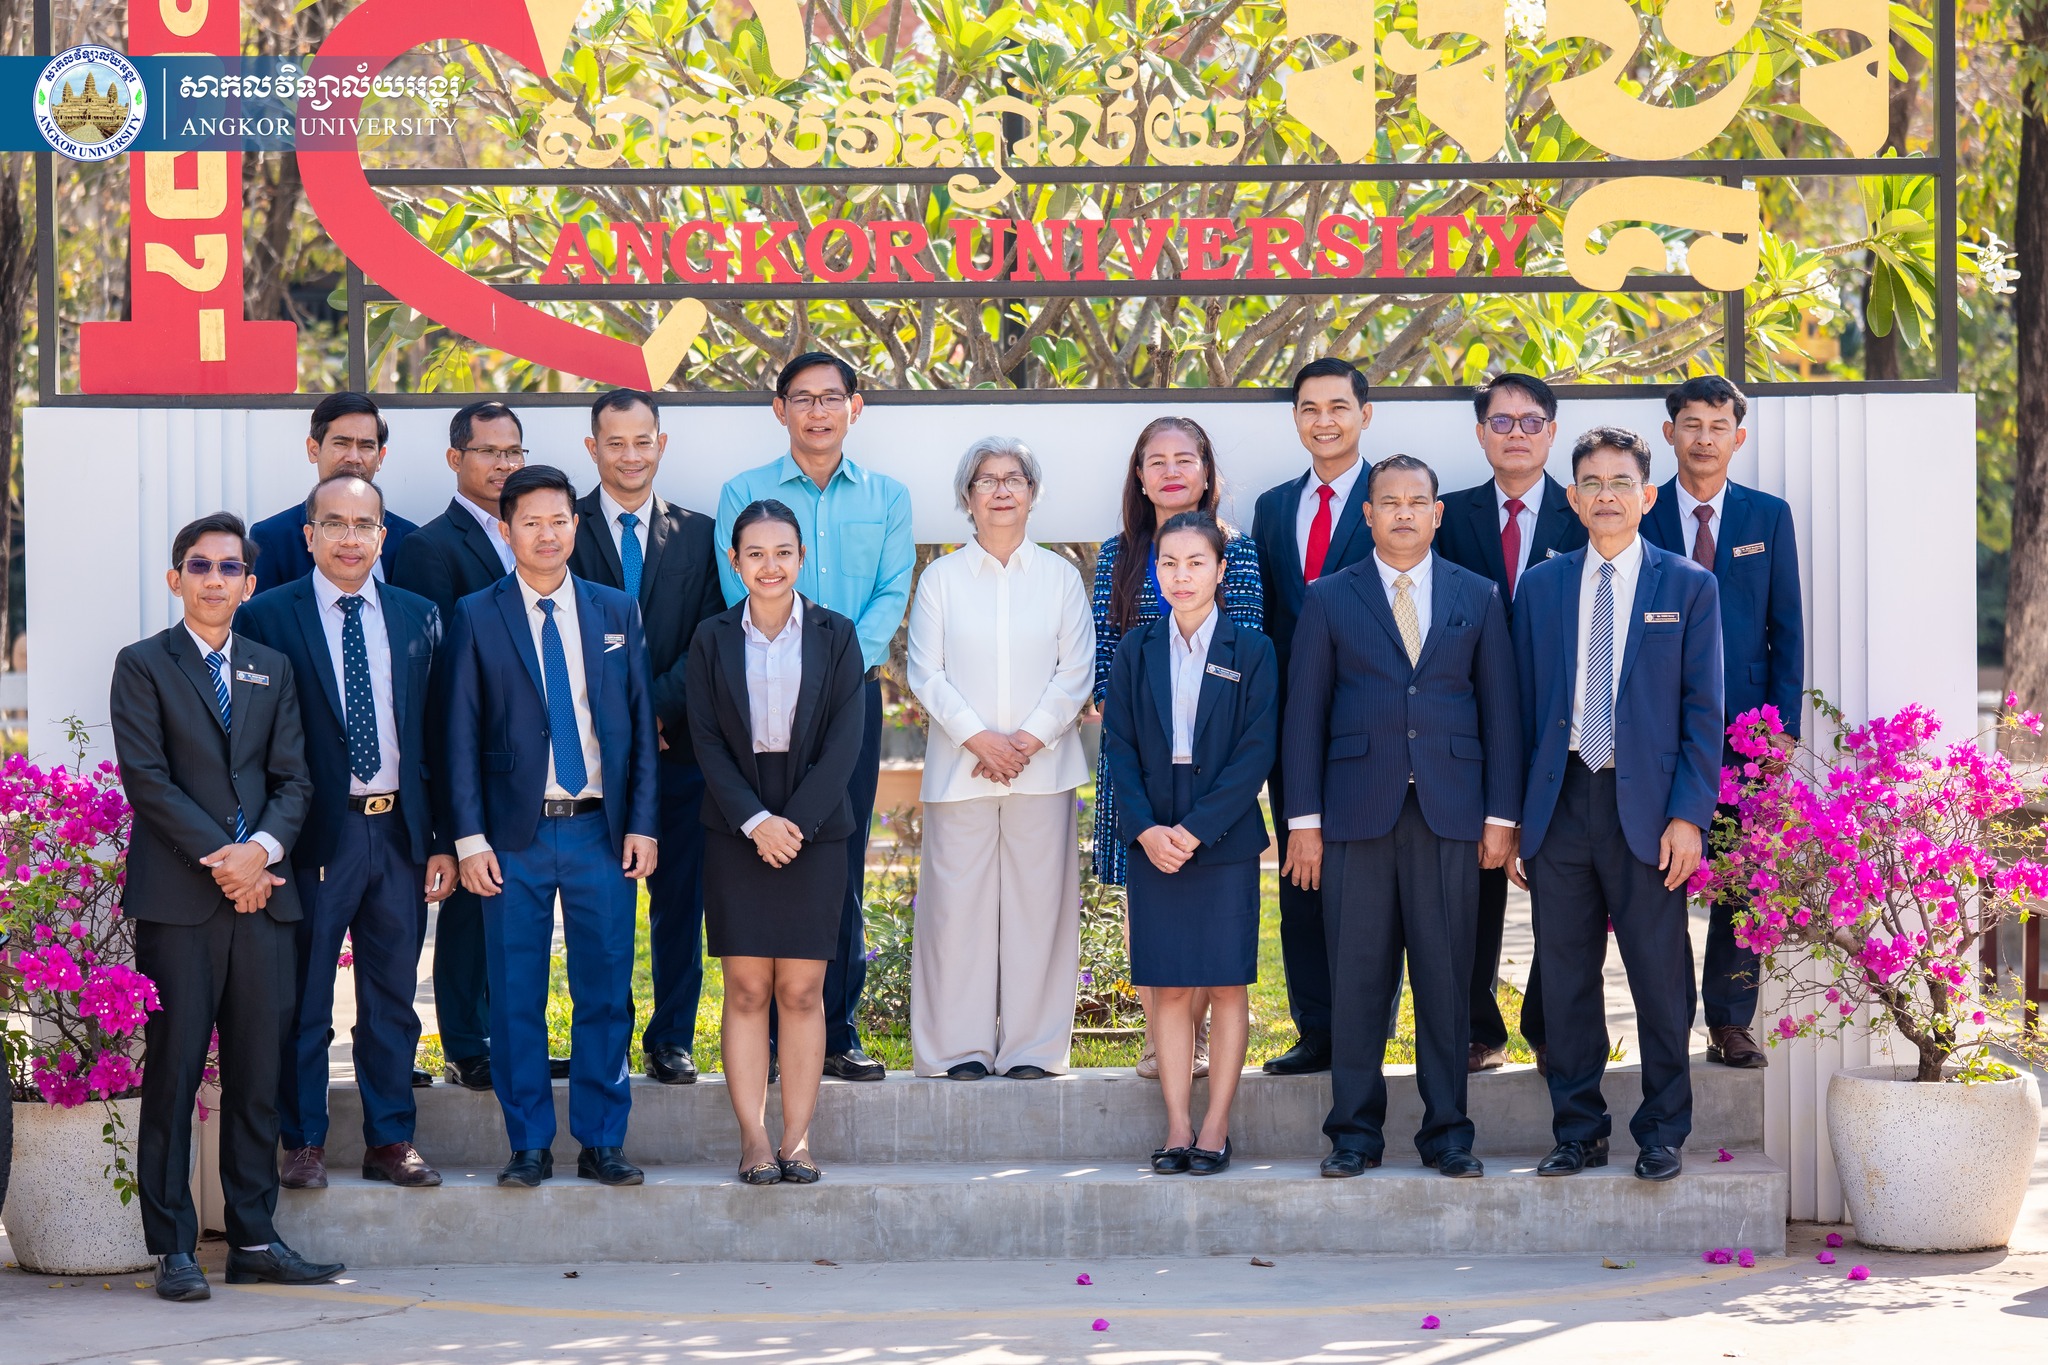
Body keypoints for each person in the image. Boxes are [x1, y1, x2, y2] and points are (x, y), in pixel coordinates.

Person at [109, 512, 340, 1302]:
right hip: (182, 903)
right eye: (200, 566)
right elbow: (148, 781)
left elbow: (295, 779)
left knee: (256, 1076)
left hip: (264, 902)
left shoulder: (272, 667)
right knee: (173, 1074)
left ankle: (254, 1239)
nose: (215, 578)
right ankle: (172, 1246)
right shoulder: (143, 664)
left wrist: (262, 852)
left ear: (249, 583)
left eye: (229, 567)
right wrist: (230, 860)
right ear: (176, 579)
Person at [1281, 456, 1521, 1178]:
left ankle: (1448, 1133)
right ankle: (1354, 1134)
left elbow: (1501, 712)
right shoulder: (1329, 596)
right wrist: (1303, 822)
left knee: (1446, 979)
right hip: (1355, 814)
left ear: (1438, 514)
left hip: (1450, 812)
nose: (1405, 512)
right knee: (1357, 978)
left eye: (1418, 501)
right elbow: (1304, 715)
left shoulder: (1477, 594)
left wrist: (1501, 816)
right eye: (1390, 502)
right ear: (1368, 514)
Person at [1512, 427, 1723, 1183]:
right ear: (1572, 499)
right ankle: (1578, 1129)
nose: (1607, 495)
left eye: (1621, 481)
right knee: (1566, 976)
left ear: (1647, 495)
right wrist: (1514, 820)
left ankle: (1663, 1130)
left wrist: (1689, 816)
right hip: (1560, 801)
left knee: (1660, 978)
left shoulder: (1688, 586)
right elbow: (1518, 708)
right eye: (1592, 483)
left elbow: (1704, 712)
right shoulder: (1540, 587)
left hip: (1652, 811)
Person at [440, 465, 660, 1189]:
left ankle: (602, 1140)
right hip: (513, 837)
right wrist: (468, 838)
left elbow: (637, 727)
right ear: (507, 531)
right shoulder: (477, 613)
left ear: (575, 524)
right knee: (515, 996)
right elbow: (458, 735)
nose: (546, 534)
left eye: (558, 520)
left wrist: (643, 824)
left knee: (607, 989)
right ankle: (529, 1142)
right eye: (530, 522)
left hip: (601, 831)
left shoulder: (615, 610)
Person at [236, 475, 456, 1192]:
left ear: (382, 536)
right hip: (310, 840)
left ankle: (390, 1138)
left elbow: (438, 735)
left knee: (392, 999)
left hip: (398, 835)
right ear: (309, 536)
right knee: (304, 999)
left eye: (364, 524)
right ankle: (303, 1140)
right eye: (334, 523)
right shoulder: (268, 617)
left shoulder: (419, 615)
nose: (350, 537)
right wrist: (262, 843)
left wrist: (443, 838)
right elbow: (250, 745)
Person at [714, 353, 913, 1082]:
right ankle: (765, 1036)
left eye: (832, 398)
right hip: (757, 702)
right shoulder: (744, 493)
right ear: (780, 409)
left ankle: (834, 1028)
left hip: (849, 699)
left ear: (855, 407)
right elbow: (734, 590)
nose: (818, 411)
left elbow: (892, 591)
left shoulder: (888, 497)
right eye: (803, 398)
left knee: (839, 861)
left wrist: (836, 671)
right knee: (760, 855)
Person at [687, 500, 867, 1184]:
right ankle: (754, 1138)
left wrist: (794, 823)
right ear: (735, 561)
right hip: (736, 825)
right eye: (755, 553)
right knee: (746, 987)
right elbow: (705, 738)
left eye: (783, 552)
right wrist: (755, 821)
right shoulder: (711, 637)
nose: (770, 565)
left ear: (801, 557)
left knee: (800, 989)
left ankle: (797, 1139)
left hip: (814, 826)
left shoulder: (836, 634)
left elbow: (846, 738)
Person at [905, 437, 1094, 1081]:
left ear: (1032, 493)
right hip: (961, 770)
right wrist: (980, 740)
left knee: (1041, 912)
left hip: (1044, 770)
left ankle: (1033, 1050)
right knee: (955, 913)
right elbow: (926, 673)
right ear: (968, 496)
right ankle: (956, 1048)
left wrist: (1027, 741)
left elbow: (1076, 671)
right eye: (986, 480)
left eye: (1014, 478)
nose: (1002, 490)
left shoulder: (1061, 578)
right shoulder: (941, 578)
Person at [1101, 511, 1276, 1174]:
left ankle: (1216, 1126)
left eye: (1196, 562)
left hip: (1223, 835)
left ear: (1220, 569)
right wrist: (1146, 829)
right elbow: (1119, 747)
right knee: (1170, 987)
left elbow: (1255, 752)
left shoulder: (1251, 650)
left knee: (1227, 985)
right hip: (1153, 832)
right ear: (1156, 572)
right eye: (1168, 563)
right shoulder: (1135, 649)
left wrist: (1198, 829)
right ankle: (1177, 1126)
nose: (1182, 575)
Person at [1091, 415, 1264, 1081]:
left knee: (1206, 898)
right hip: (1136, 760)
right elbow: (1105, 659)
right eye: (1155, 460)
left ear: (1206, 470)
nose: (1170, 471)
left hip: (1214, 764)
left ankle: (1196, 1036)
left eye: (1184, 458)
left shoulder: (1237, 550)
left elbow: (1243, 651)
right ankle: (1160, 1035)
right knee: (1147, 897)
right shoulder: (1116, 554)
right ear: (1139, 475)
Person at [1643, 374, 1802, 1071]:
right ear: (1669, 432)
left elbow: (1786, 628)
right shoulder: (1642, 510)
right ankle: (1670, 1019)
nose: (1703, 438)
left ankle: (1731, 1022)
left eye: (1717, 426)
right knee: (1660, 878)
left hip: (1746, 734)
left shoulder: (1767, 517)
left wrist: (1782, 729)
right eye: (1691, 424)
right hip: (1656, 730)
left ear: (1737, 438)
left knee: (1741, 880)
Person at [1433, 373, 1588, 1075]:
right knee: (1475, 881)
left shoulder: (1585, 509)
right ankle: (1477, 1026)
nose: (1516, 433)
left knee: (1563, 880)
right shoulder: (1448, 515)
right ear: (1480, 433)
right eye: (1501, 421)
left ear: (1552, 432)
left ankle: (1550, 1024)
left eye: (1531, 422)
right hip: (1471, 726)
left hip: (1569, 724)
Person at [570, 388, 726, 1086]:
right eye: (615, 442)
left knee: (679, 903)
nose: (630, 455)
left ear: (661, 444)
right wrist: (620, 722)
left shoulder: (700, 533)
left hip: (679, 749)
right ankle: (601, 1039)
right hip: (588, 755)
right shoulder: (562, 528)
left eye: (642, 441)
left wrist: (653, 713)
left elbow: (710, 639)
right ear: (592, 448)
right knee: (600, 912)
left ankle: (672, 1038)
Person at [1248, 357, 1378, 1078]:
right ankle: (1317, 1030)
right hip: (1293, 723)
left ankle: (1367, 1029)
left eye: (1338, 406)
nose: (1323, 421)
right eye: (1309, 408)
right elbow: (1270, 619)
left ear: (1365, 414)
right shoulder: (1272, 508)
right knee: (1301, 875)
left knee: (1370, 880)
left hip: (1372, 720)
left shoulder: (1393, 496)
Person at [390, 399, 524, 1092]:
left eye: (513, 451)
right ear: (455, 458)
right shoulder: (428, 548)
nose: (503, 464)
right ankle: (467, 1044)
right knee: (470, 905)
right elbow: (434, 671)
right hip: (470, 753)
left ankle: (507, 1036)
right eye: (488, 451)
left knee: (513, 907)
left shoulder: (534, 530)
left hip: (531, 760)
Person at [250, 393, 418, 593]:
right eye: (341, 444)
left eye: (366, 446)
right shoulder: (273, 537)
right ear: (313, 449)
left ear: (380, 457)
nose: (353, 457)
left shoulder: (409, 539)